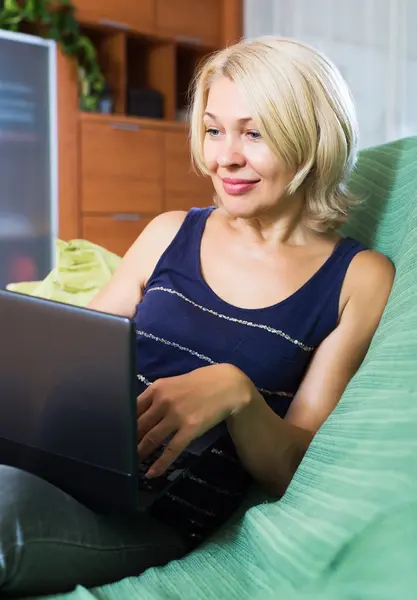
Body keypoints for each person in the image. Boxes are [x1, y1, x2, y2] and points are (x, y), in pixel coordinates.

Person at [0, 36, 395, 596]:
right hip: (63, 458)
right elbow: (71, 355)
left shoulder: (358, 278)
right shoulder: (168, 232)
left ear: (312, 138)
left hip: (153, 513)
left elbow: (291, 469)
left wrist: (236, 394)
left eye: (254, 133)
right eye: (214, 130)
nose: (224, 158)